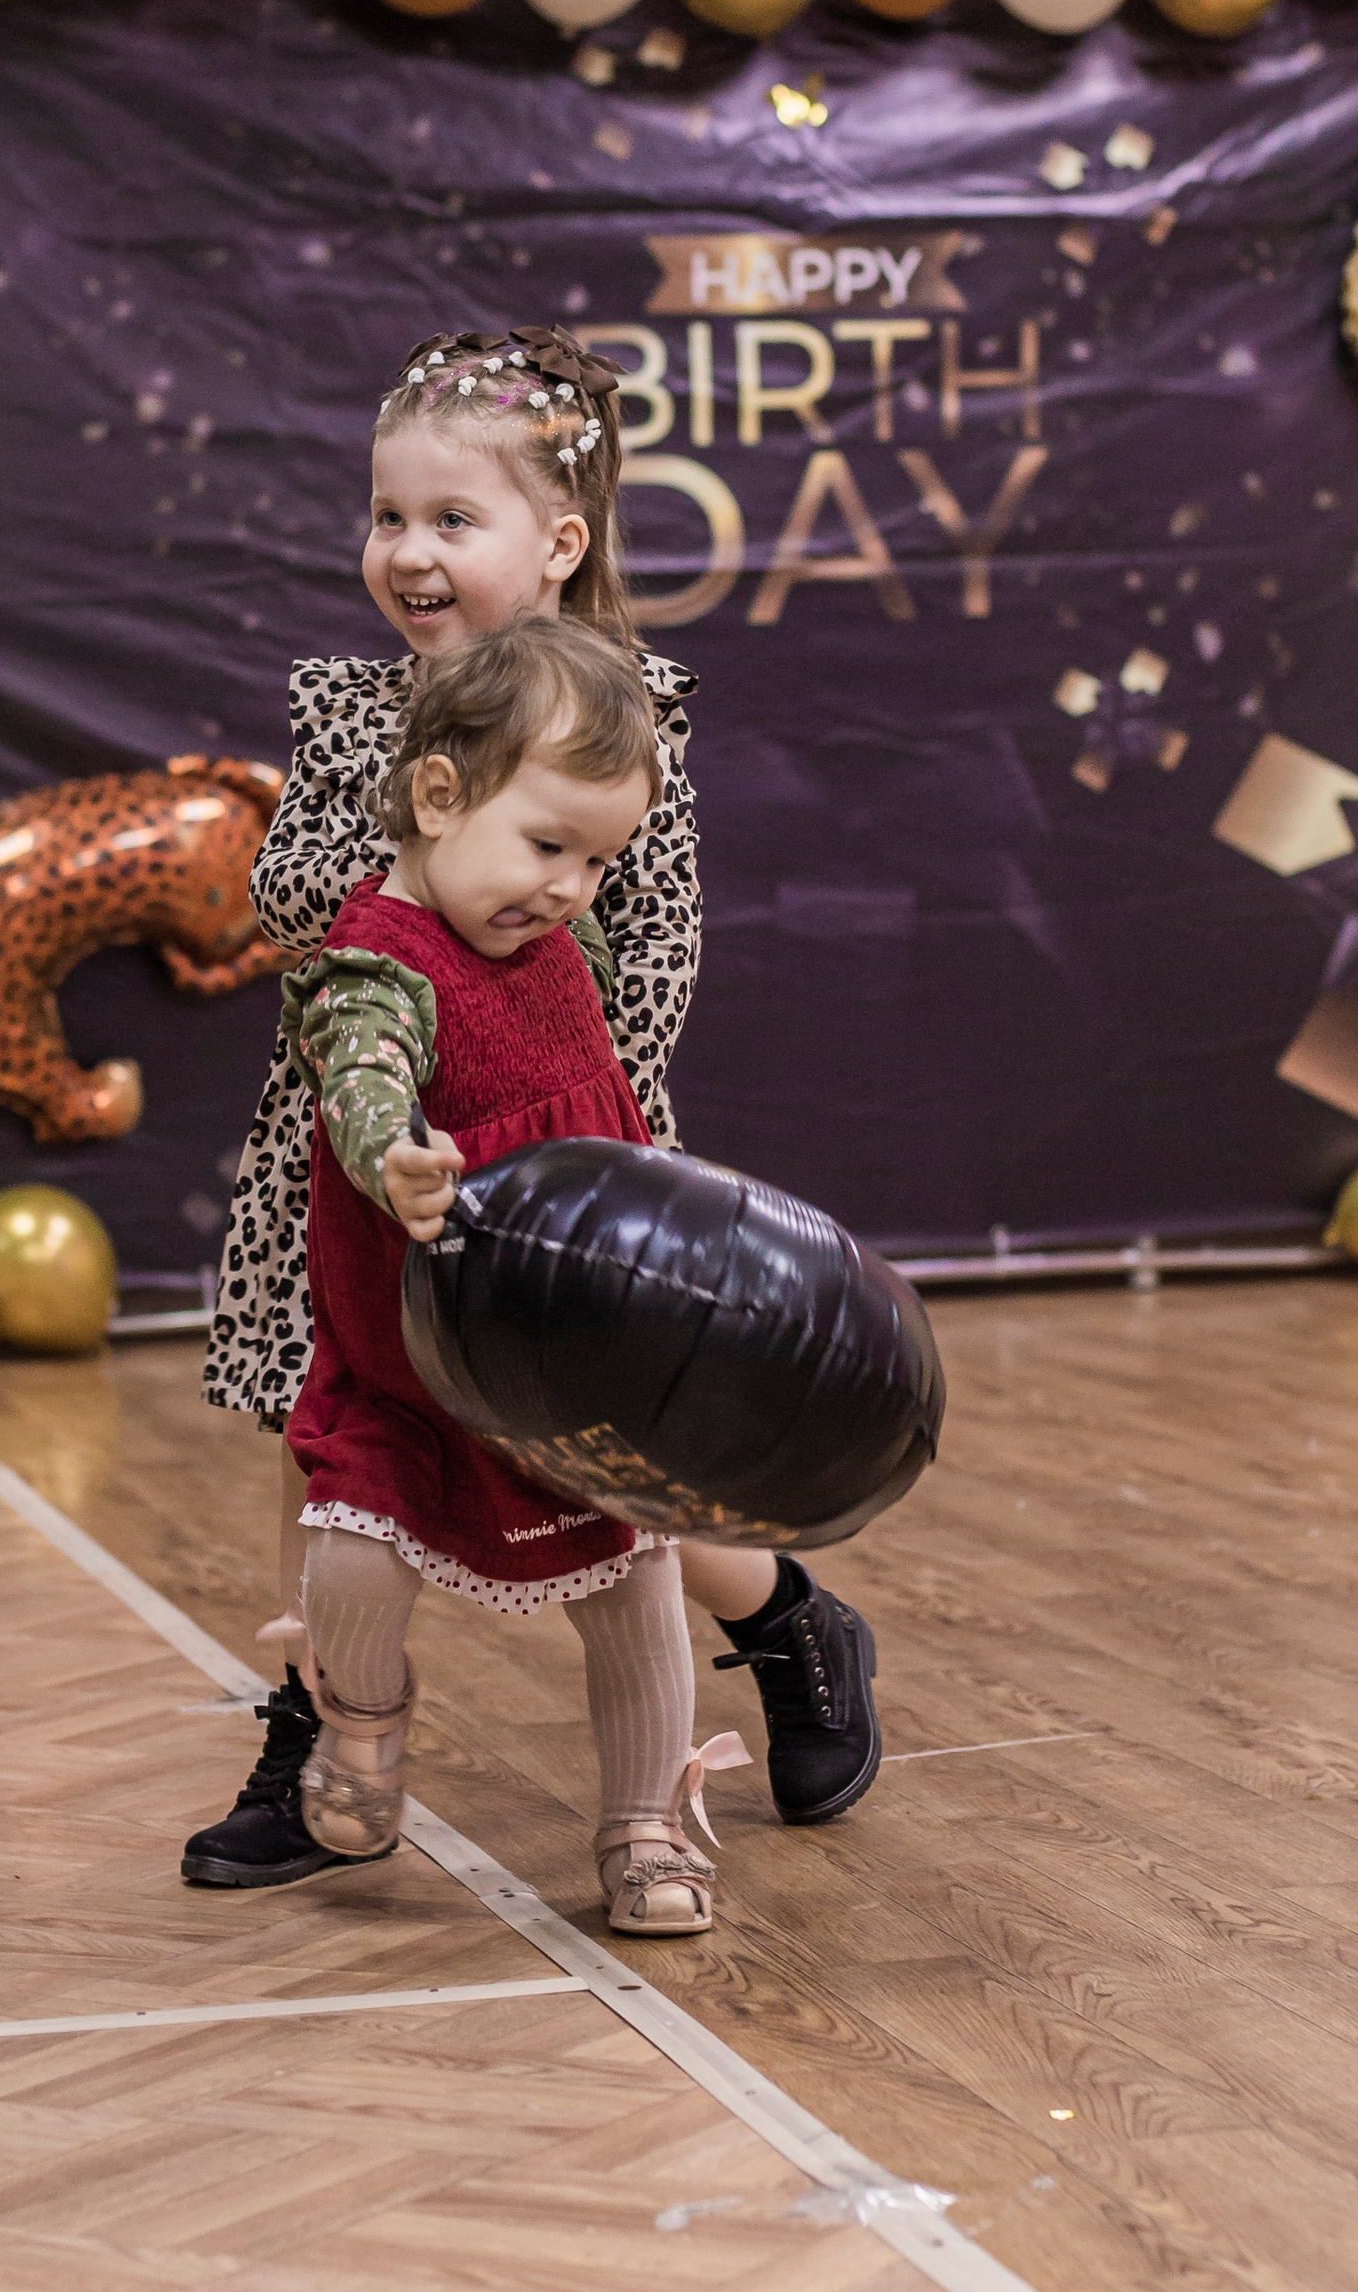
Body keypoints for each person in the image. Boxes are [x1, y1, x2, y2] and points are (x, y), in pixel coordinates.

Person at [182, 322, 880, 1891]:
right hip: (365, 1142)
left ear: (558, 544)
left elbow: (652, 952)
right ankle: (315, 1739)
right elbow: (292, 896)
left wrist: (563, 1164)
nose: (407, 553)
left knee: (598, 1464)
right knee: (331, 1447)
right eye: (388, 518)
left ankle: (784, 1623)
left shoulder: (627, 712)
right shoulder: (359, 713)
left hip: (562, 1155)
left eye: (452, 521)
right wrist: (419, 823)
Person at [260, 613, 746, 1935]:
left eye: (601, 860)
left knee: (638, 1586)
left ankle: (644, 1818)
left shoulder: (549, 944)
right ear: (438, 794)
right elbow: (362, 1068)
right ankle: (360, 1726)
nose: (572, 888)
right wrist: (393, 1147)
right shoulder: (379, 962)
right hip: (417, 1366)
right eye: (549, 846)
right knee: (352, 1560)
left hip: (572, 1362)